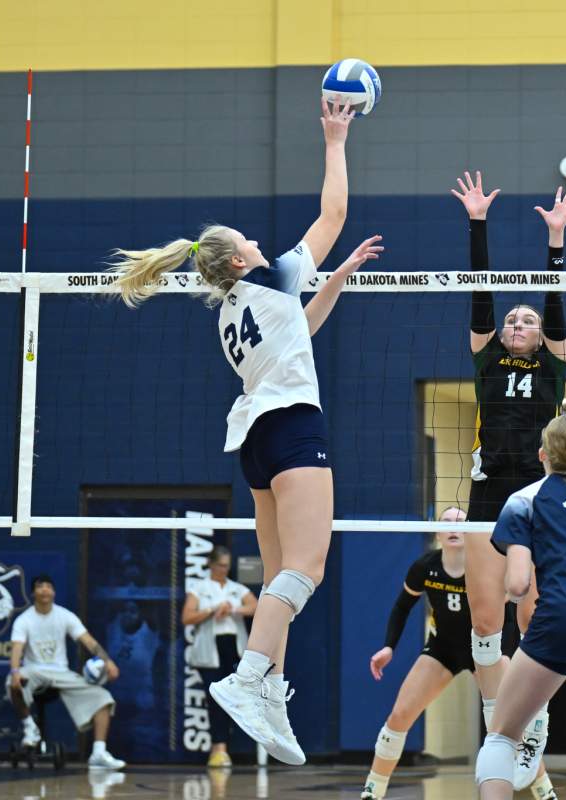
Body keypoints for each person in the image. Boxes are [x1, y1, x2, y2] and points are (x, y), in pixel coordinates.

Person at [111, 96, 383, 765]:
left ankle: (269, 690)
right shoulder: (273, 275)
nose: (262, 243)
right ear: (237, 261)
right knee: (308, 569)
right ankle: (246, 674)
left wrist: (339, 279)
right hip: (292, 431)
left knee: (278, 580)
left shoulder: (234, 310)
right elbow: (334, 215)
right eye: (250, 241)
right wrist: (336, 139)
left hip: (258, 444)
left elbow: (301, 334)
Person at [452, 172, 566, 791]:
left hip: (534, 494)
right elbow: (480, 295)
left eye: (527, 320)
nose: (517, 323)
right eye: (512, 319)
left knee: (530, 612)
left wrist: (555, 243)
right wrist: (477, 224)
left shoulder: (555, 369)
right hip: (485, 489)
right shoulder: (486, 360)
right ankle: (497, 722)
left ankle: (535, 723)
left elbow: (556, 303)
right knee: (484, 615)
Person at [476, 413, 566, 800]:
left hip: (562, 617)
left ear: (542, 454)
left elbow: (517, 584)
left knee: (500, 738)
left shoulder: (525, 500)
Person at [360, 508, 518, 800]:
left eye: (460, 522)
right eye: (446, 522)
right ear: (437, 532)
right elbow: (402, 606)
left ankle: (544, 791)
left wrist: (505, 653)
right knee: (400, 714)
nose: (454, 528)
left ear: (471, 530)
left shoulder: (486, 566)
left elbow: (509, 615)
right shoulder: (425, 566)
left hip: (482, 649)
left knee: (507, 723)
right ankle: (373, 789)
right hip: (442, 647)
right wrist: (388, 646)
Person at [7, 574, 125, 770]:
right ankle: (30, 729)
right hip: (34, 671)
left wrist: (108, 661)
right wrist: (14, 671)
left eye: (48, 587)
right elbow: (17, 647)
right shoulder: (24, 620)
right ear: (33, 593)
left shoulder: (65, 615)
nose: (45, 590)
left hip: (61, 673)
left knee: (103, 697)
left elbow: (88, 641)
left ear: (53, 592)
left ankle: (98, 753)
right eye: (40, 586)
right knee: (13, 682)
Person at [181, 545, 258, 767]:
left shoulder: (236, 588)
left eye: (227, 566)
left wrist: (232, 608)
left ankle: (227, 746)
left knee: (233, 700)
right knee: (215, 699)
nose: (224, 570)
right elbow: (187, 617)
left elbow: (255, 606)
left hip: (233, 649)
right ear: (211, 564)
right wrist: (212, 609)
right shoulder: (199, 588)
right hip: (210, 650)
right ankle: (218, 749)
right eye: (221, 565)